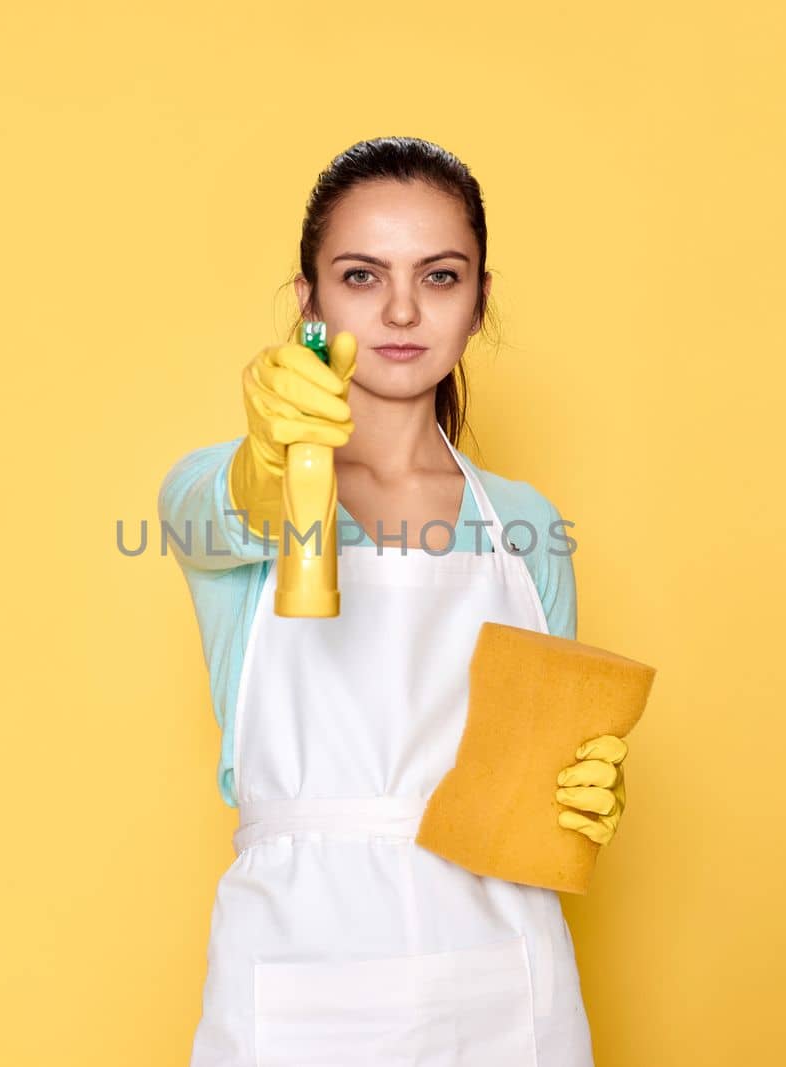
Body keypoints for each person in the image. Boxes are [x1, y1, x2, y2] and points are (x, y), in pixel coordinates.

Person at [158, 136, 629, 1066]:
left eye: (441, 276)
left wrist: (581, 798)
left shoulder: (527, 527)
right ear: (309, 302)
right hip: (302, 966)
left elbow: (538, 781)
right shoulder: (212, 487)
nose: (404, 310)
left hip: (506, 976)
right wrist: (276, 469)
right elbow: (229, 514)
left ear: (479, 299)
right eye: (363, 276)